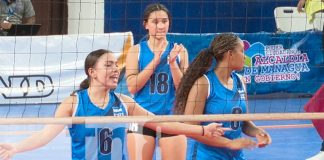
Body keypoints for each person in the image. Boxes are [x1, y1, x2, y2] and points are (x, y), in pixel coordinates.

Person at [0, 49, 226, 160]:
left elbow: (163, 123)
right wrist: (16, 148)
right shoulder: (74, 102)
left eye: (116, 65)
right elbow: (45, 135)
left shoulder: (125, 103)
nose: (116, 69)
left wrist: (203, 129)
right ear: (92, 72)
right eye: (108, 65)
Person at [174, 33, 272, 160]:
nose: (245, 57)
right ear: (230, 54)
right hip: (207, 156)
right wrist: (229, 143)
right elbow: (189, 128)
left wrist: (258, 132)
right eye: (242, 51)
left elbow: (244, 122)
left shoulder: (241, 81)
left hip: (235, 156)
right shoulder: (204, 83)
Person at [125, 3, 189, 160]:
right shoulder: (136, 51)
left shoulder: (180, 50)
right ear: (146, 24)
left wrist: (173, 63)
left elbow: (183, 91)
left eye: (164, 21)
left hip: (171, 117)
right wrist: (156, 60)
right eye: (155, 22)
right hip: (141, 117)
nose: (161, 26)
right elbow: (132, 87)